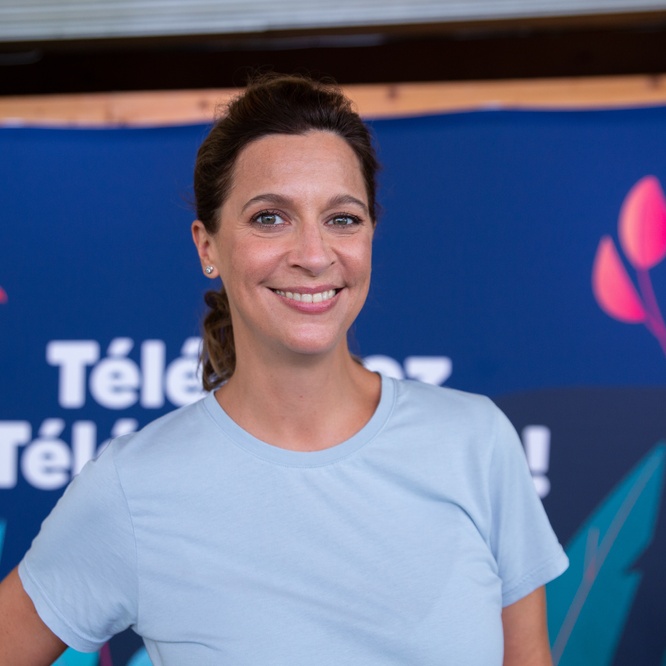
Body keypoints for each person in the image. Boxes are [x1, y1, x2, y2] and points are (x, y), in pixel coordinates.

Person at [0, 74, 567, 666]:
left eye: (342, 219)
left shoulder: (475, 440)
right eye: (270, 217)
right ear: (208, 247)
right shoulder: (132, 486)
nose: (314, 255)